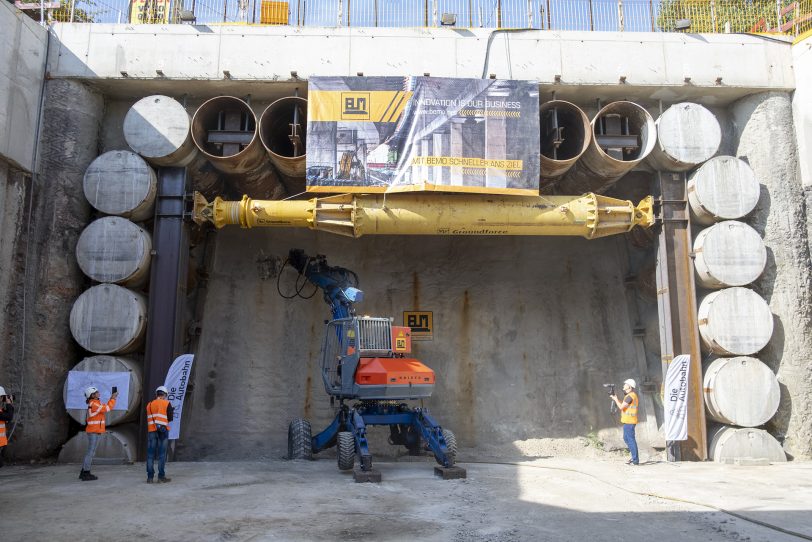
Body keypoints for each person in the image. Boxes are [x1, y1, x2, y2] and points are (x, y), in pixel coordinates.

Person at [81, 386, 117, 481]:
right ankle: (86, 473)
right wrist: (113, 398)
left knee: (91, 452)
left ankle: (83, 472)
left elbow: (104, 408)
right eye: (96, 392)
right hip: (93, 431)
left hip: (95, 431)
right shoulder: (94, 404)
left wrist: (111, 398)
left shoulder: (95, 403)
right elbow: (108, 408)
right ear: (92, 395)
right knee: (90, 453)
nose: (98, 393)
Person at [146, 385, 174, 484]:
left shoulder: (149, 404)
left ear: (156, 394)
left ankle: (149, 478)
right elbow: (170, 418)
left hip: (151, 431)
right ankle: (161, 477)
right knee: (162, 455)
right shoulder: (167, 403)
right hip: (163, 431)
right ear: (165, 394)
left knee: (150, 455)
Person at [610, 378, 639, 466]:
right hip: (628, 421)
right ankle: (634, 457)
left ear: (629, 387)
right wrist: (616, 398)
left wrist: (615, 399)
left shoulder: (630, 396)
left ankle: (635, 460)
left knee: (630, 440)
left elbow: (622, 407)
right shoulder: (630, 396)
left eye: (625, 384)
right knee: (626, 439)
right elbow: (624, 406)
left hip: (629, 422)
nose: (623, 385)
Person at [0, 386, 14, 468]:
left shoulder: (1, 410)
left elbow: (9, 417)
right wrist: (9, 404)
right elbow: (8, 416)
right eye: (3, 397)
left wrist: (10, 405)